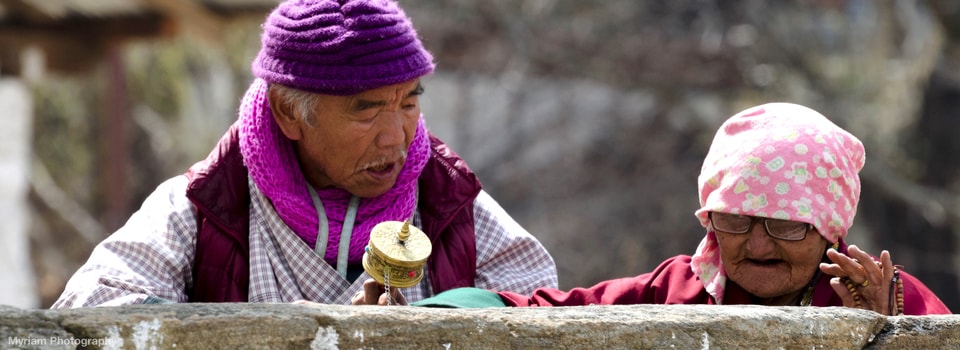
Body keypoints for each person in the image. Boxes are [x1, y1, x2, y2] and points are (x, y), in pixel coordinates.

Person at [52, 0, 557, 308]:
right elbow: (88, 311)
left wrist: (432, 325)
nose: (396, 139)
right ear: (288, 114)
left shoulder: (450, 201)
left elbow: (541, 309)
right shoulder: (205, 205)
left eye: (409, 102)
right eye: (366, 110)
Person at [360, 102, 951, 315]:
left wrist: (888, 333)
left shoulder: (888, 298)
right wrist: (426, 313)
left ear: (829, 231)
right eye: (735, 221)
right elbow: (553, 311)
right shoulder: (682, 289)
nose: (759, 245)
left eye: (787, 226)